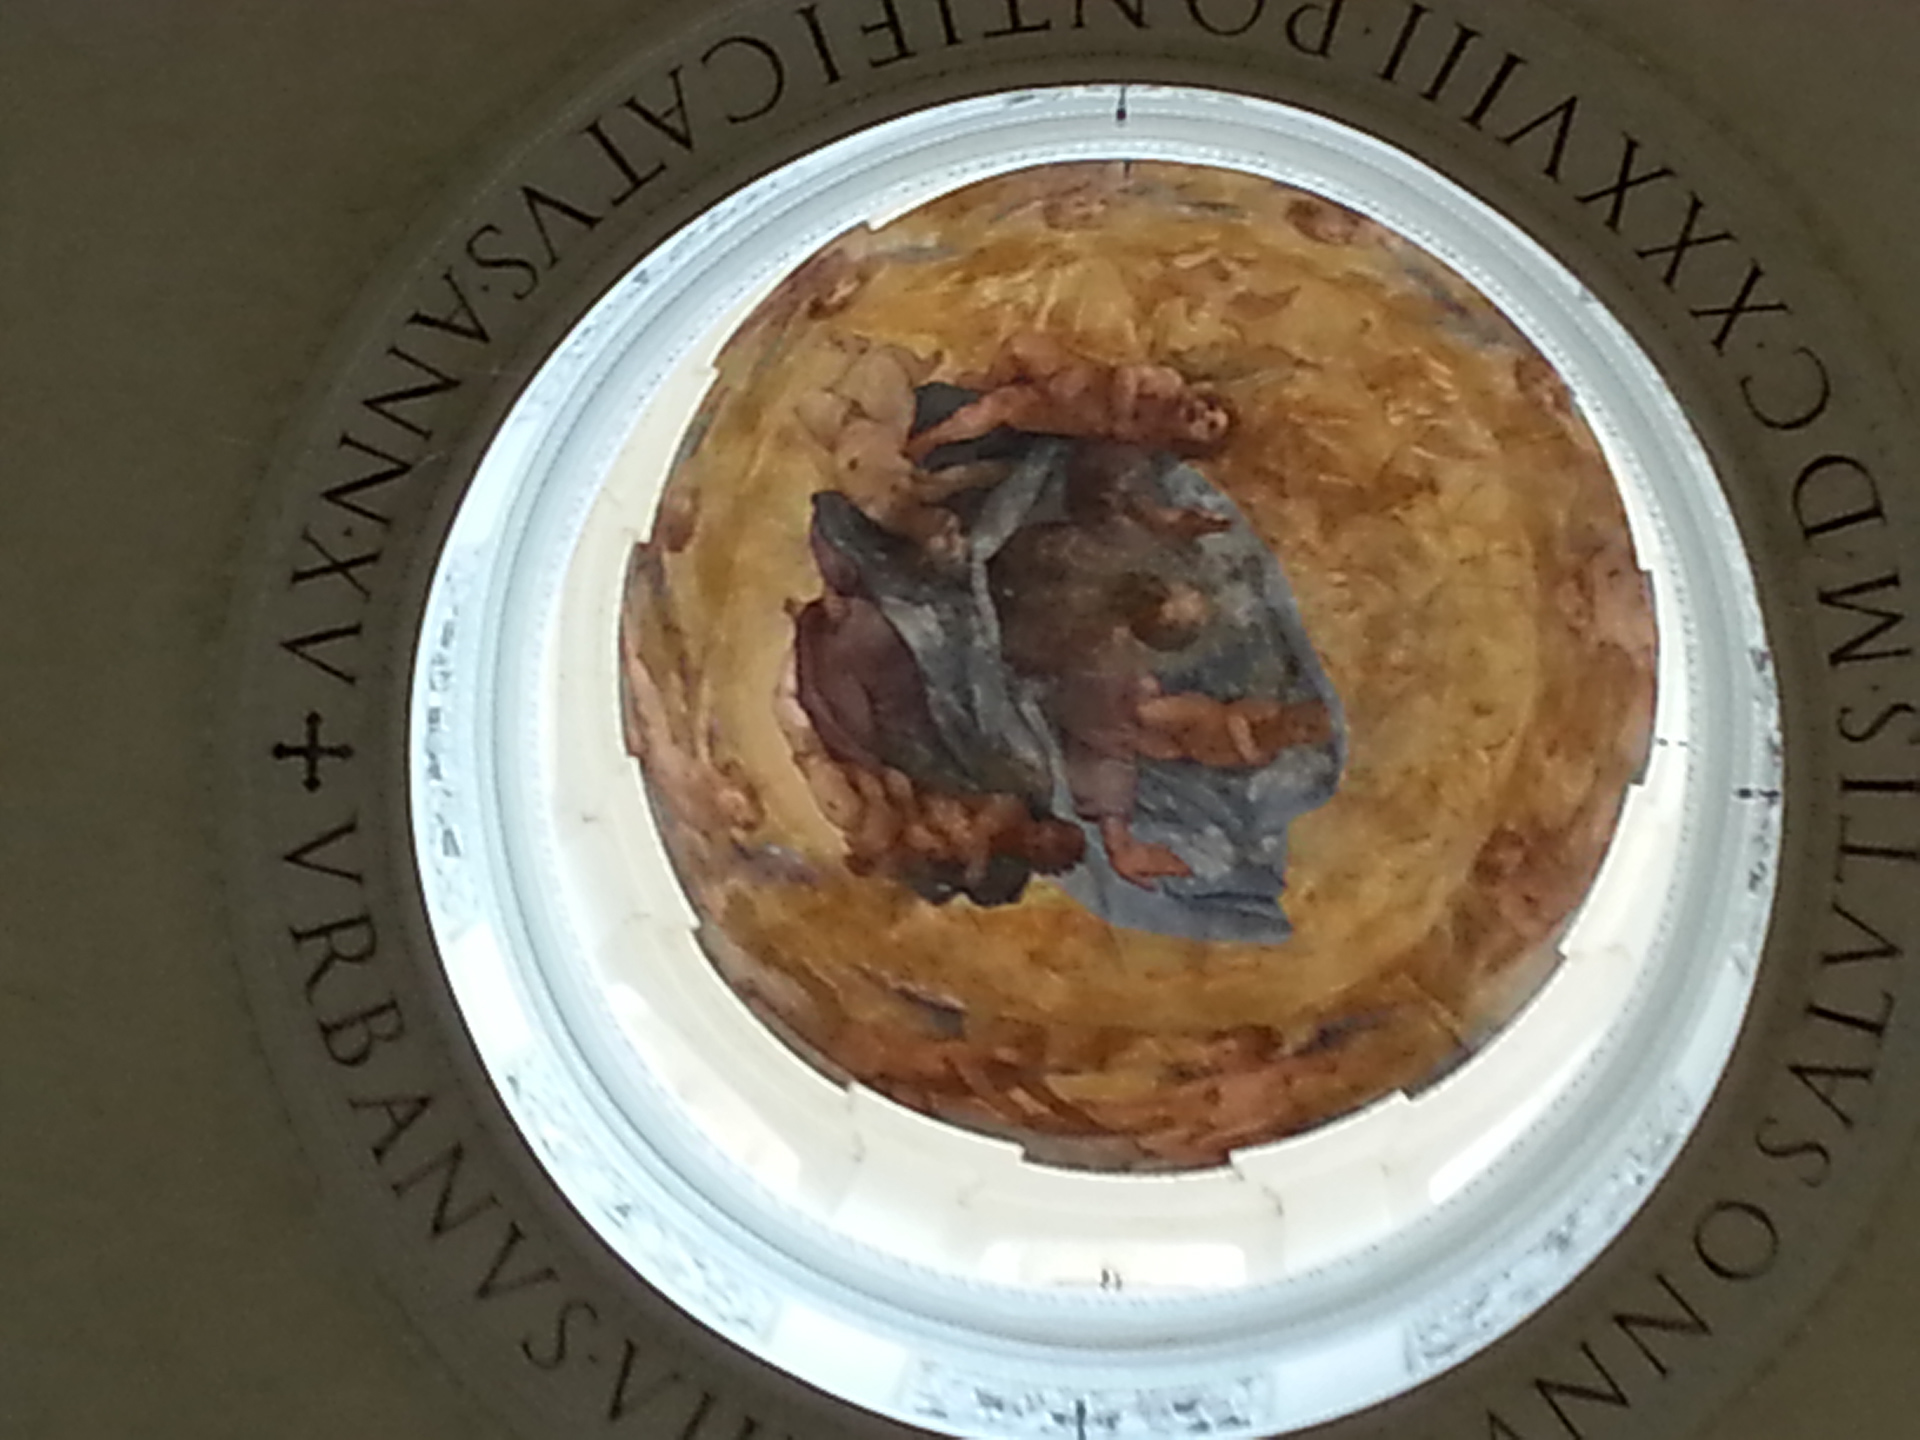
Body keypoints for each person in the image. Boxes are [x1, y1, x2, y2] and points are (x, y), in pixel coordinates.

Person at [904, 332, 1234, 464]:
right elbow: (1128, 374)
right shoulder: (1168, 385)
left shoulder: (1151, 441)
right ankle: (983, 381)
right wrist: (1121, 415)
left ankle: (930, 440)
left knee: (998, 408)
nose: (1202, 414)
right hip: (1066, 373)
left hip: (1057, 413)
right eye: (1210, 408)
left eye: (1209, 426)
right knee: (1018, 346)